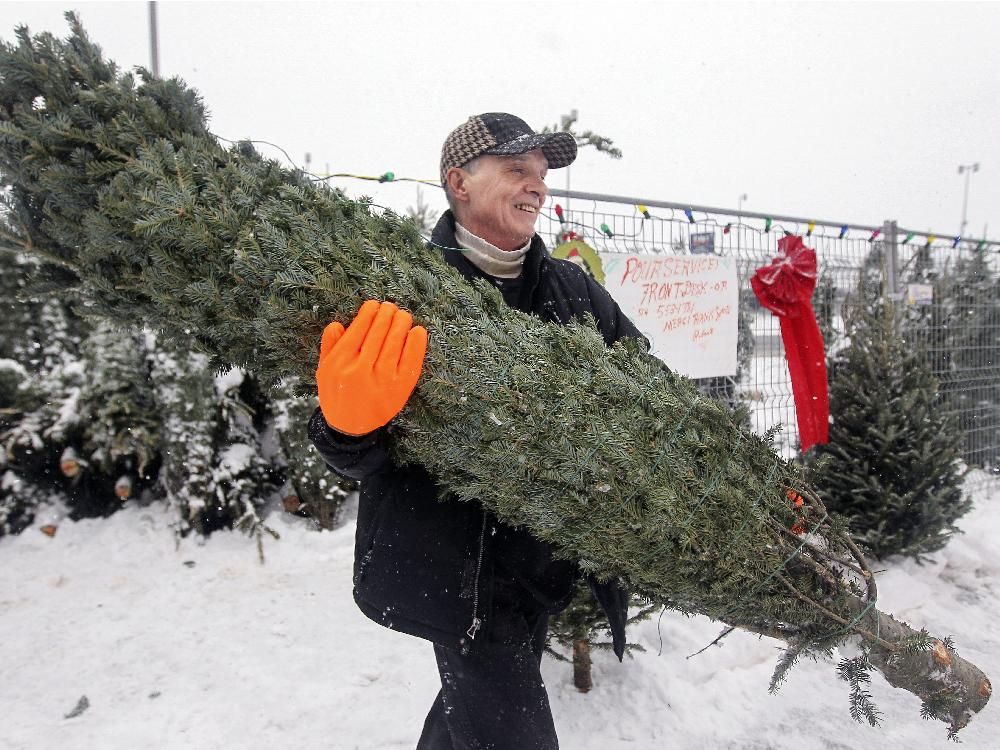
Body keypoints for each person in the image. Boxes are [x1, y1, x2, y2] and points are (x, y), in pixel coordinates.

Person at [309, 113, 646, 749]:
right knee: (509, 732)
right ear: (459, 181)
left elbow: (652, 393)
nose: (537, 188)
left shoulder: (571, 290)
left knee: (473, 713)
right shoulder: (403, 289)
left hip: (541, 567)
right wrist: (348, 426)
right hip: (455, 572)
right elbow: (346, 445)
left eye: (542, 176)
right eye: (518, 170)